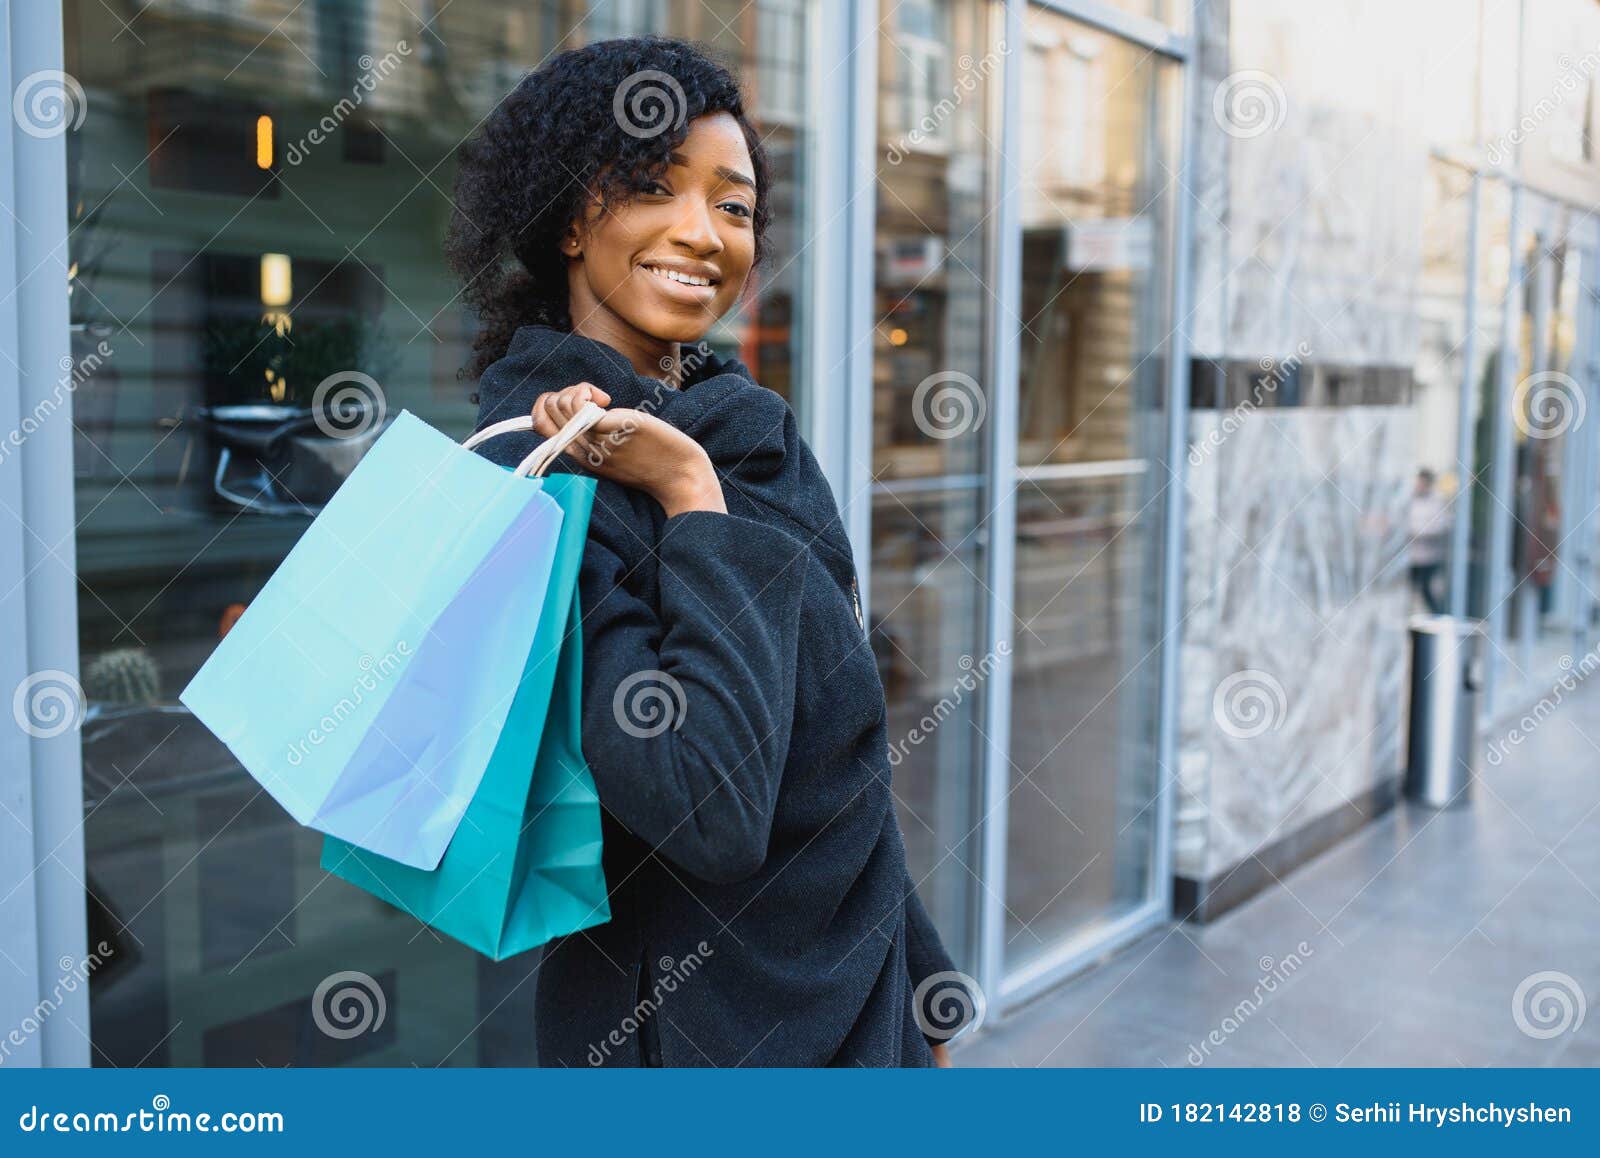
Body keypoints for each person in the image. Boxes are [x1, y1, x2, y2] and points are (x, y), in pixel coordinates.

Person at [445, 35, 967, 1067]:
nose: (702, 232)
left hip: (860, 998)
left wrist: (918, 968)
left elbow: (837, 742)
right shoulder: (546, 472)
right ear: (564, 218)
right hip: (698, 1033)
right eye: (650, 186)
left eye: (733, 206)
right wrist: (688, 497)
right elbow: (704, 804)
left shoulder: (748, 431)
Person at [1408, 468, 1450, 615]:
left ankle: (1437, 618)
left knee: (1427, 592)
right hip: (1413, 557)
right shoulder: (1411, 500)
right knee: (1411, 593)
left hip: (1430, 558)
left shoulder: (1437, 502)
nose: (1419, 485)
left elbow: (1439, 527)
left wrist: (1417, 533)